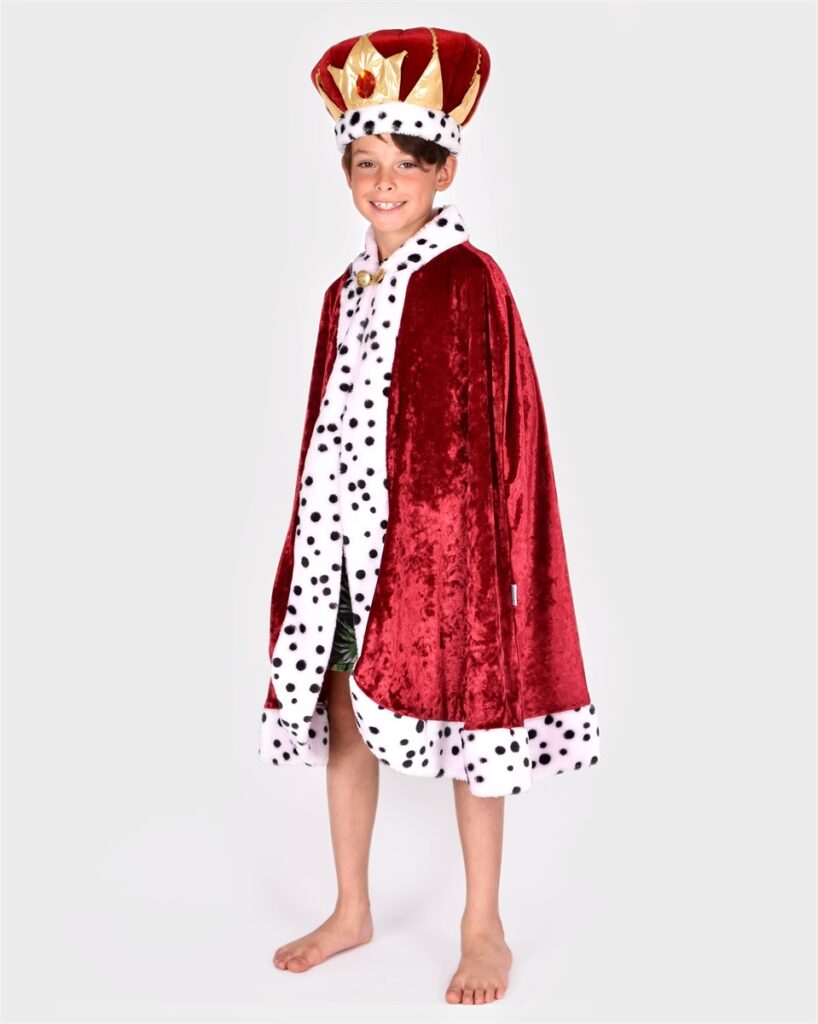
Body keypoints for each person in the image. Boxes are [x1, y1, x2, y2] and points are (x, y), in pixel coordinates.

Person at [258, 26, 601, 1005]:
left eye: (405, 164)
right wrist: (308, 544)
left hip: (445, 556)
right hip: (342, 549)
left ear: (443, 169)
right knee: (342, 710)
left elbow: (507, 428)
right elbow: (323, 428)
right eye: (365, 163)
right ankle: (351, 907)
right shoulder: (342, 294)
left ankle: (481, 924)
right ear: (345, 173)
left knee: (468, 723)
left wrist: (491, 557)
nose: (383, 182)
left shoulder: (468, 278)